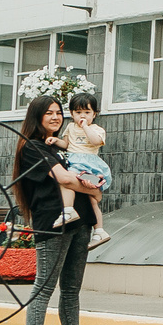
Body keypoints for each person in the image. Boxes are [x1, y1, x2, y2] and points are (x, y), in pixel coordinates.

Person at [13, 96, 103, 325]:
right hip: (53, 222)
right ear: (36, 117)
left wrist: (93, 191)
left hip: (81, 221)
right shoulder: (33, 147)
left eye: (58, 112)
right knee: (44, 287)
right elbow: (65, 179)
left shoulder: (65, 145)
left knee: (72, 289)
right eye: (48, 113)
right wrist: (93, 190)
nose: (55, 117)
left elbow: (84, 178)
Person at [57, 91, 114, 251]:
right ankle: (99, 231)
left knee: (68, 181)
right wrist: (57, 141)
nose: (83, 115)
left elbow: (96, 141)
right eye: (78, 112)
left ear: (94, 114)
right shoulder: (70, 127)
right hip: (75, 162)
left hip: (91, 167)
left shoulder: (97, 129)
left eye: (87, 112)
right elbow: (66, 145)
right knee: (90, 199)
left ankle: (68, 210)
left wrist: (85, 127)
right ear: (72, 114)